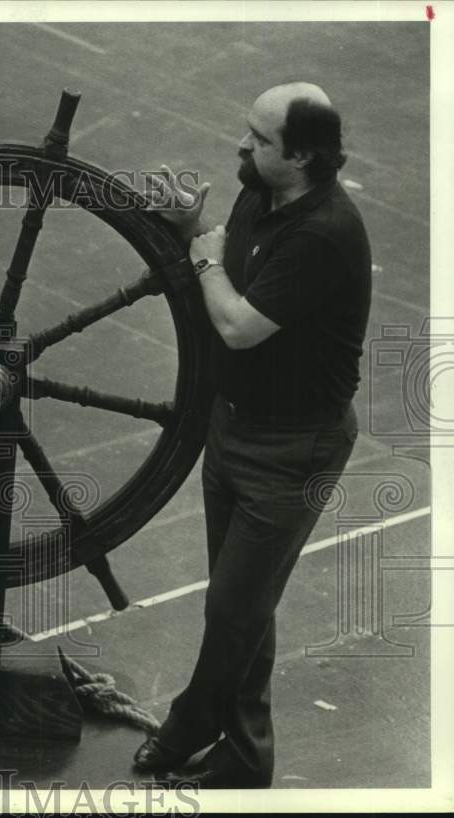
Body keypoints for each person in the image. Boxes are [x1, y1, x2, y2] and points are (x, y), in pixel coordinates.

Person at [132, 82, 371, 787]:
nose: (243, 145)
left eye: (259, 139)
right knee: (244, 605)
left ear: (299, 156)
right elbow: (230, 274)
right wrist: (193, 232)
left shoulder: (327, 232)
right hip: (233, 433)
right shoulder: (258, 195)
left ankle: (195, 724)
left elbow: (237, 324)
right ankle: (243, 751)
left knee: (234, 605)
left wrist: (202, 256)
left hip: (294, 451)